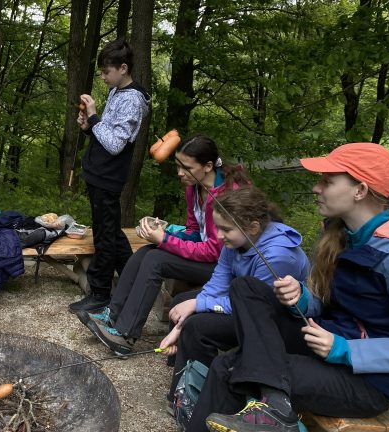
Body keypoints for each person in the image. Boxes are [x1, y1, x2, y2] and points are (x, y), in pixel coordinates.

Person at [194, 143, 389, 432]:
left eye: (327, 181)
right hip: (326, 341)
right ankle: (276, 407)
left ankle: (275, 411)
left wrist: (345, 349)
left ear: (360, 190)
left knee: (231, 368)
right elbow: (326, 301)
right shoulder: (339, 233)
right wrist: (301, 297)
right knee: (246, 288)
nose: (316, 188)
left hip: (368, 379)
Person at [76, 135, 249, 354]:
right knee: (146, 252)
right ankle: (112, 315)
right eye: (178, 166)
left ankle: (125, 336)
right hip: (208, 257)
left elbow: (216, 251)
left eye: (187, 168)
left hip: (226, 268)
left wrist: (166, 241)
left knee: (156, 259)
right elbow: (194, 231)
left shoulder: (226, 196)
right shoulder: (194, 187)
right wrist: (164, 233)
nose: (180, 173)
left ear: (207, 166)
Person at [157, 186, 310, 410]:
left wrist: (197, 307)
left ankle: (193, 400)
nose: (218, 235)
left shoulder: (277, 256)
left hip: (274, 325)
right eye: (218, 227)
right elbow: (217, 284)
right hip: (246, 307)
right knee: (182, 304)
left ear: (253, 227)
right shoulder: (238, 240)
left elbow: (254, 306)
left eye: (225, 229)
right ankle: (184, 372)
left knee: (197, 327)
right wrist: (185, 318)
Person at [68, 39, 151, 313]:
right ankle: (133, 282)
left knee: (104, 237)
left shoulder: (132, 99)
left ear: (123, 68)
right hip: (98, 173)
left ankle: (100, 294)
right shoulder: (118, 91)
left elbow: (115, 145)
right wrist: (89, 127)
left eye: (106, 72)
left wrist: (94, 117)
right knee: (112, 233)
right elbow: (107, 134)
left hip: (108, 177)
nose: (103, 77)